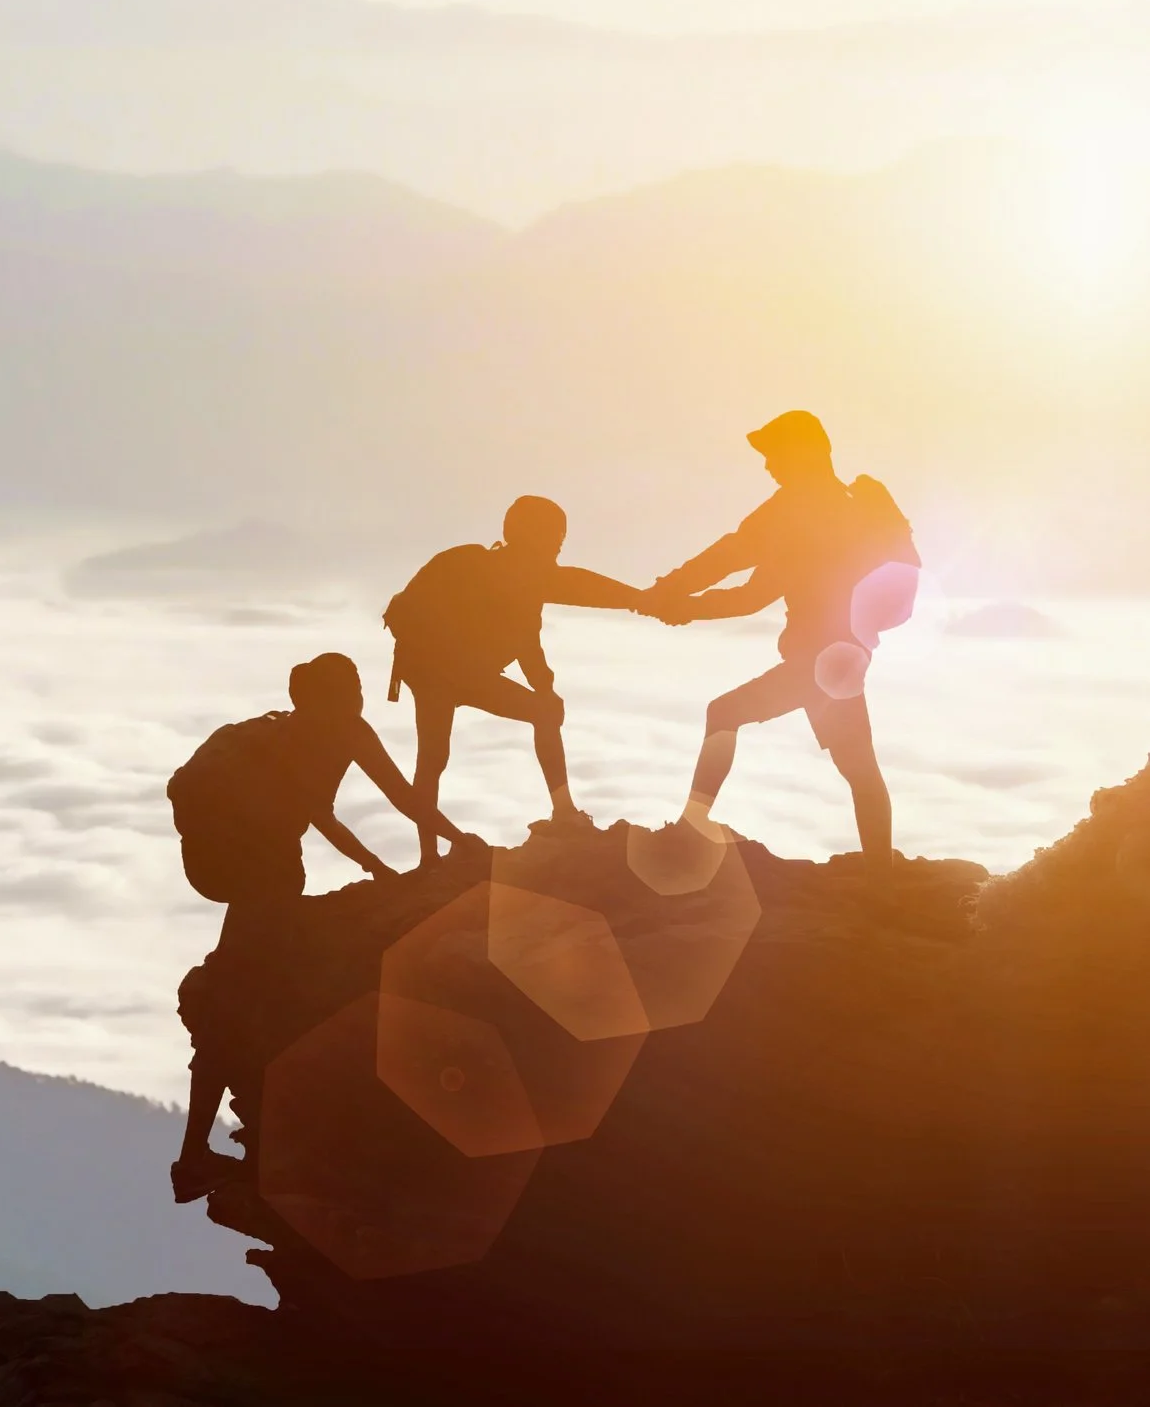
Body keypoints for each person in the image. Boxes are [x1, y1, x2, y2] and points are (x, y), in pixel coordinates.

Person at [166, 652, 488, 1203]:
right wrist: (455, 842)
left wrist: (377, 866)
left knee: (235, 994)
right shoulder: (334, 735)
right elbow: (397, 799)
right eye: (351, 690)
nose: (359, 699)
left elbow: (329, 814)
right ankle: (194, 1159)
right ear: (330, 699)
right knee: (235, 1007)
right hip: (259, 868)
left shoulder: (295, 736)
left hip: (228, 863)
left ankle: (200, 1153)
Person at [644, 411, 920, 872]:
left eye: (775, 455)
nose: (769, 466)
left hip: (820, 660)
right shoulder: (847, 506)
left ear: (803, 454)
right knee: (858, 767)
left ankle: (690, 829)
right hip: (844, 658)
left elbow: (735, 568)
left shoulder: (795, 511)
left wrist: (674, 596)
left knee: (725, 714)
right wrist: (677, 598)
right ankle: (881, 876)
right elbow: (745, 579)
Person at [384, 495, 657, 862]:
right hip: (441, 673)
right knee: (436, 757)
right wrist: (646, 599)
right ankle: (436, 855)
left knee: (434, 758)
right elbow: (560, 605)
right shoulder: (516, 573)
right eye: (556, 537)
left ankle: (432, 856)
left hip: (447, 673)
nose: (559, 546)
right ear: (534, 536)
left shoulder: (510, 571)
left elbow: (546, 618)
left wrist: (643, 599)